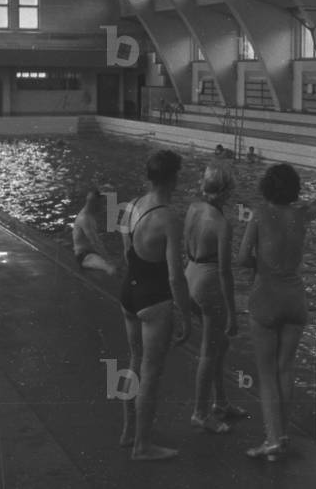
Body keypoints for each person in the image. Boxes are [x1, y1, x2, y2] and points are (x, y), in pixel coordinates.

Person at [236, 165, 316, 461]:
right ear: (293, 189)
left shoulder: (258, 216)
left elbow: (243, 257)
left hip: (266, 298)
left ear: (267, 186)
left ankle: (271, 440)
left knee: (267, 373)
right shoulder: (300, 215)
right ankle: (282, 436)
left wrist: (260, 266)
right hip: (296, 300)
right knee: (286, 368)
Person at [118, 150, 191, 461]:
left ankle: (128, 431)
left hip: (128, 294)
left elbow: (126, 254)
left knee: (133, 362)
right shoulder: (168, 217)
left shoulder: (131, 206)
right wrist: (186, 315)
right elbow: (175, 277)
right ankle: (143, 446)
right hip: (154, 300)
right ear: (174, 178)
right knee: (150, 372)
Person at [184, 165, 243, 434]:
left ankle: (221, 401)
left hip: (189, 276)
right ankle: (200, 412)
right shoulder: (222, 224)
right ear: (226, 192)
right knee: (209, 351)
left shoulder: (193, 209)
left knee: (221, 344)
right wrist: (232, 312)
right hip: (209, 284)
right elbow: (225, 272)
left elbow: (186, 246)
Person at [72, 190, 118, 276]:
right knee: (111, 269)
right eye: (101, 204)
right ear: (95, 203)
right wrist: (109, 260)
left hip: (91, 252)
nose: (103, 206)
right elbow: (95, 242)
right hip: (85, 257)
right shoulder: (85, 219)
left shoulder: (89, 215)